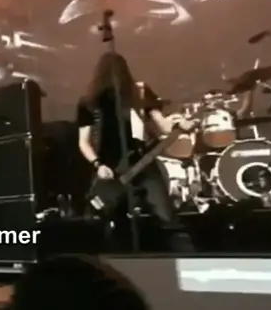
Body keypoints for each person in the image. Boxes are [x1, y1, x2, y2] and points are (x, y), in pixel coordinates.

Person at [77, 52, 196, 252]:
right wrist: (98, 165)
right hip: (111, 168)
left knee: (166, 216)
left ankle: (185, 258)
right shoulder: (89, 102)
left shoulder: (139, 92)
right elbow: (84, 142)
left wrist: (180, 123)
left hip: (142, 162)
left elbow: (164, 126)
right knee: (113, 222)